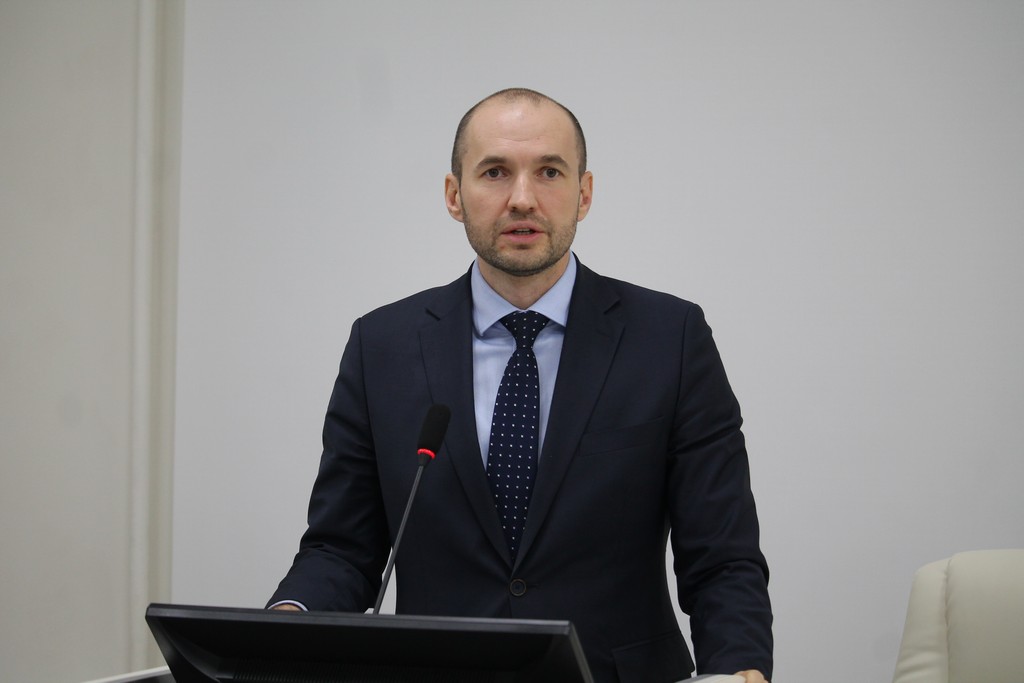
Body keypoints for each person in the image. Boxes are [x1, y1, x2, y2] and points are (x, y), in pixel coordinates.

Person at [269, 88, 773, 682]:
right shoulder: (381, 346)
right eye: (495, 172)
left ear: (584, 193)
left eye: (550, 172)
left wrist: (740, 670)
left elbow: (721, 557)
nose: (523, 199)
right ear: (454, 195)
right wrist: (284, 626)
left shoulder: (670, 338)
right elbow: (342, 548)